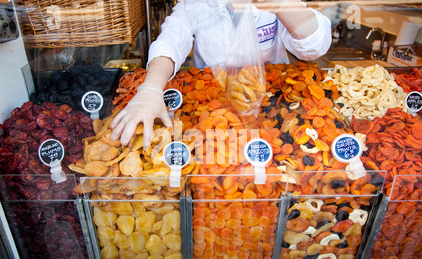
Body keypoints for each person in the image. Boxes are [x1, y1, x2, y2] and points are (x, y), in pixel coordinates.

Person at [111, 0, 332, 150]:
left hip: (272, 107)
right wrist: (151, 87)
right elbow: (171, 40)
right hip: (212, 106)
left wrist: (281, 4)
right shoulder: (197, 3)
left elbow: (313, 46)